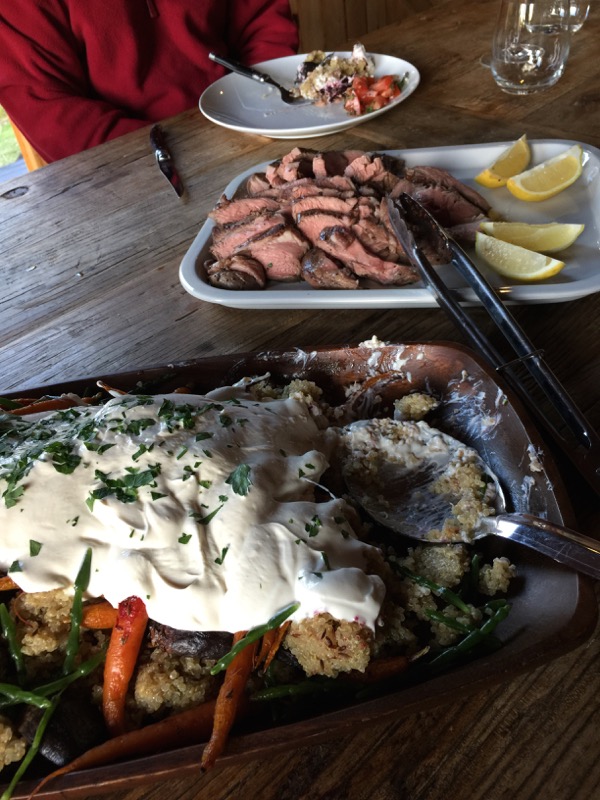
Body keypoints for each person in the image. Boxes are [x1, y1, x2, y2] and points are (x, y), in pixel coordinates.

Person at [0, 0, 298, 163]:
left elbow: (262, 19)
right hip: (129, 168)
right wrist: (187, 152)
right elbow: (51, 112)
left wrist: (263, 104)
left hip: (254, 123)